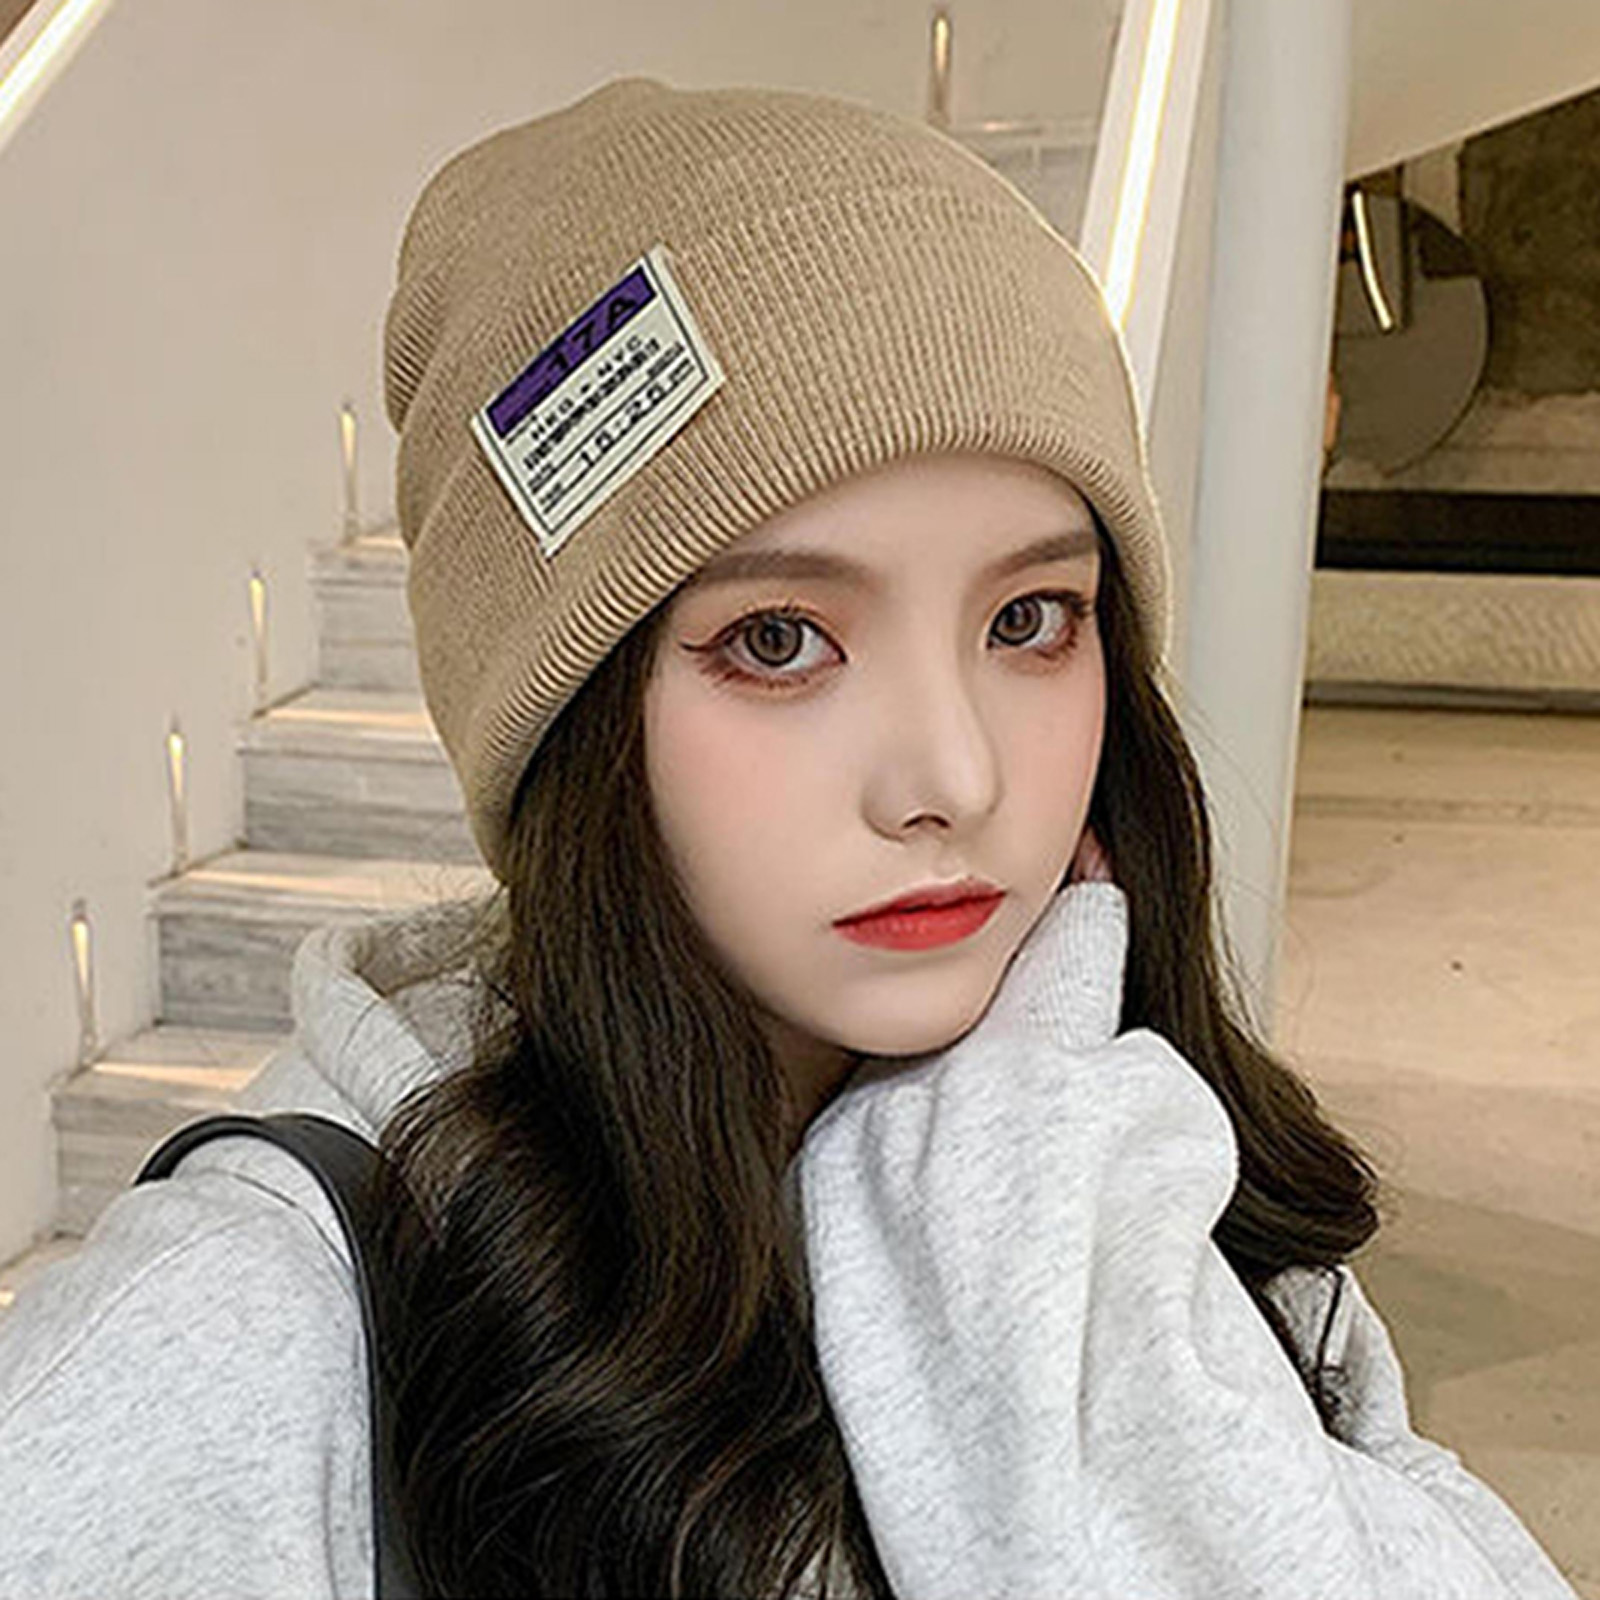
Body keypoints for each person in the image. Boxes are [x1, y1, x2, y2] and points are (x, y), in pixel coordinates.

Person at [0, 77, 1580, 1600]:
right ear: (573, 722)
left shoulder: (1151, 1178)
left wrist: (1017, 1208)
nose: (952, 774)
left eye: (1030, 619)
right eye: (779, 642)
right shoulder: (239, 1336)